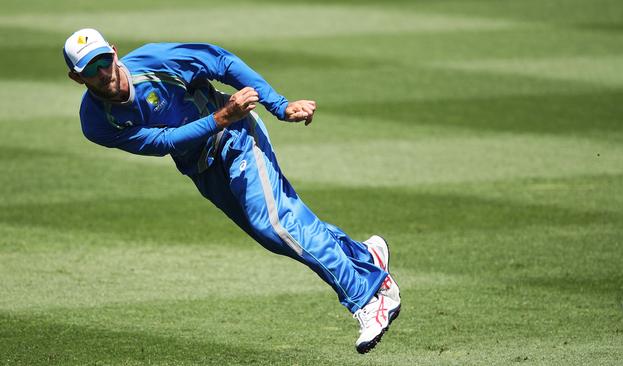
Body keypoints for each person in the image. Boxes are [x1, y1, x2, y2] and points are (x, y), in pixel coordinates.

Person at [63, 28, 401, 353]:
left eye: (103, 59)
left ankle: (369, 298)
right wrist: (218, 118)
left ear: (114, 52)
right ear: (77, 78)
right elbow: (162, 141)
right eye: (90, 69)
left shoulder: (156, 60)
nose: (102, 71)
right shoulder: (96, 122)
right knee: (272, 233)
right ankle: (364, 257)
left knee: (277, 224)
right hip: (201, 163)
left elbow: (221, 61)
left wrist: (278, 105)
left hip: (237, 136)